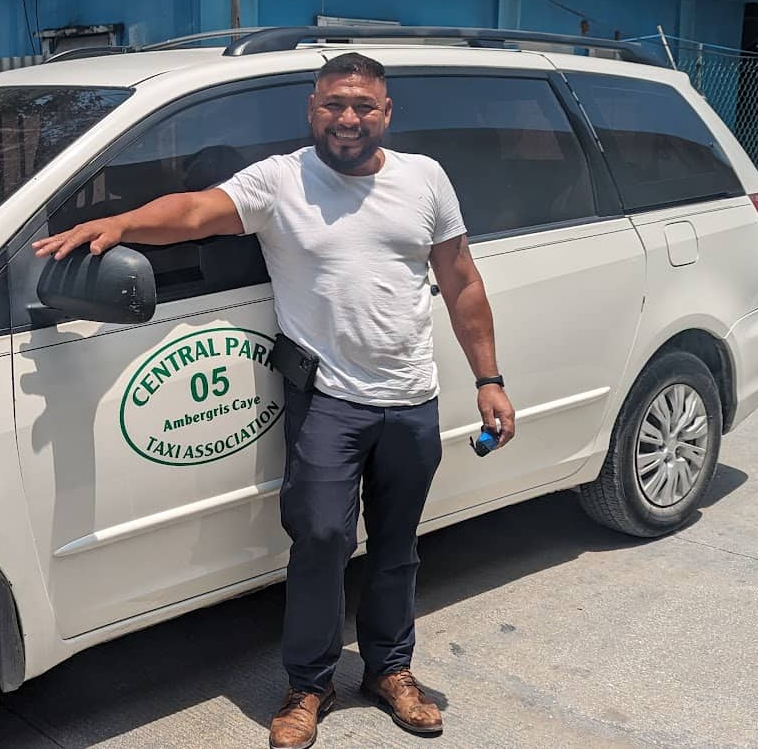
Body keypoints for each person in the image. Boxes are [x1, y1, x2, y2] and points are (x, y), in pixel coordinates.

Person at [33, 52, 516, 748]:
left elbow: (462, 280)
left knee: (397, 547)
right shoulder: (281, 179)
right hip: (327, 401)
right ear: (312, 110)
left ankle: (389, 670)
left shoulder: (425, 179)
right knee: (320, 541)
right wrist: (123, 225)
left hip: (412, 399)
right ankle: (309, 685)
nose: (347, 118)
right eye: (333, 105)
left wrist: (489, 378)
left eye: (363, 107)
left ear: (386, 113)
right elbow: (197, 212)